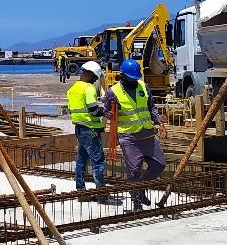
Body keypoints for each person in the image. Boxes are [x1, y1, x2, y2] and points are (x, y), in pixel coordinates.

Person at [102, 59, 168, 210]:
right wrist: (110, 114)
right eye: (131, 78)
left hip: (148, 135)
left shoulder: (144, 87)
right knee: (134, 170)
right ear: (123, 76)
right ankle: (136, 202)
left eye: (135, 78)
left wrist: (160, 123)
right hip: (129, 137)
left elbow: (151, 107)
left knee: (159, 165)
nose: (134, 81)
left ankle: (141, 188)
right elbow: (106, 111)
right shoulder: (113, 92)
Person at [66, 61, 122, 205]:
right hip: (90, 130)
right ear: (90, 74)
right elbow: (93, 110)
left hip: (79, 128)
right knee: (98, 162)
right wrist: (106, 113)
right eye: (95, 78)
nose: (96, 81)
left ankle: (81, 192)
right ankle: (102, 194)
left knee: (81, 161)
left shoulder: (73, 88)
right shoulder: (89, 88)